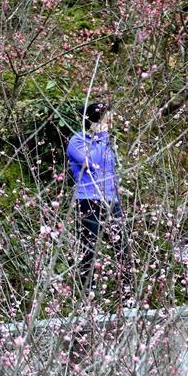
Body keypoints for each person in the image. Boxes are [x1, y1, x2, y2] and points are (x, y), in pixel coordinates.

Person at [66, 102, 134, 300]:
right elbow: (90, 162)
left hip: (111, 202)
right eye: (107, 118)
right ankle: (87, 299)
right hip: (88, 200)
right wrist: (101, 136)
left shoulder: (107, 143)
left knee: (123, 249)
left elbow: (108, 170)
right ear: (96, 119)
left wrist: (117, 189)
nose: (111, 122)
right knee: (89, 251)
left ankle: (129, 298)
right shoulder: (77, 141)